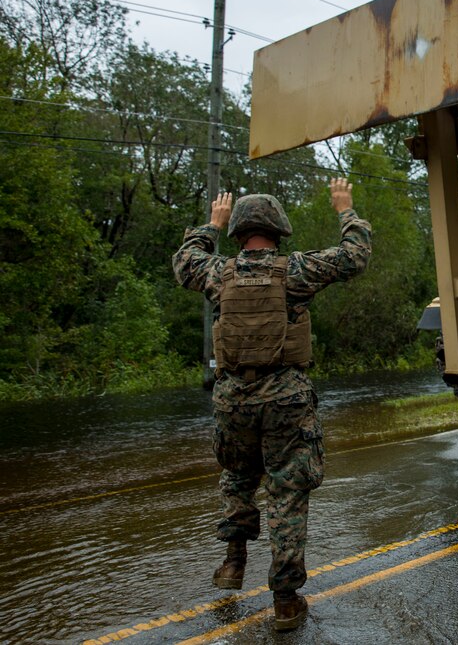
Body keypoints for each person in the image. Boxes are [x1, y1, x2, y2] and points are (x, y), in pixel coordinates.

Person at [172, 179, 371, 632]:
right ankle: (284, 601)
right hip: (285, 398)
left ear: (239, 232)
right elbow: (354, 256)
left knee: (238, 477)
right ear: (278, 231)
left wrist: (210, 225)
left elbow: (184, 262)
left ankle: (233, 562)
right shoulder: (294, 271)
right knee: (287, 492)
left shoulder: (217, 272)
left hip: (232, 399)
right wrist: (345, 210)